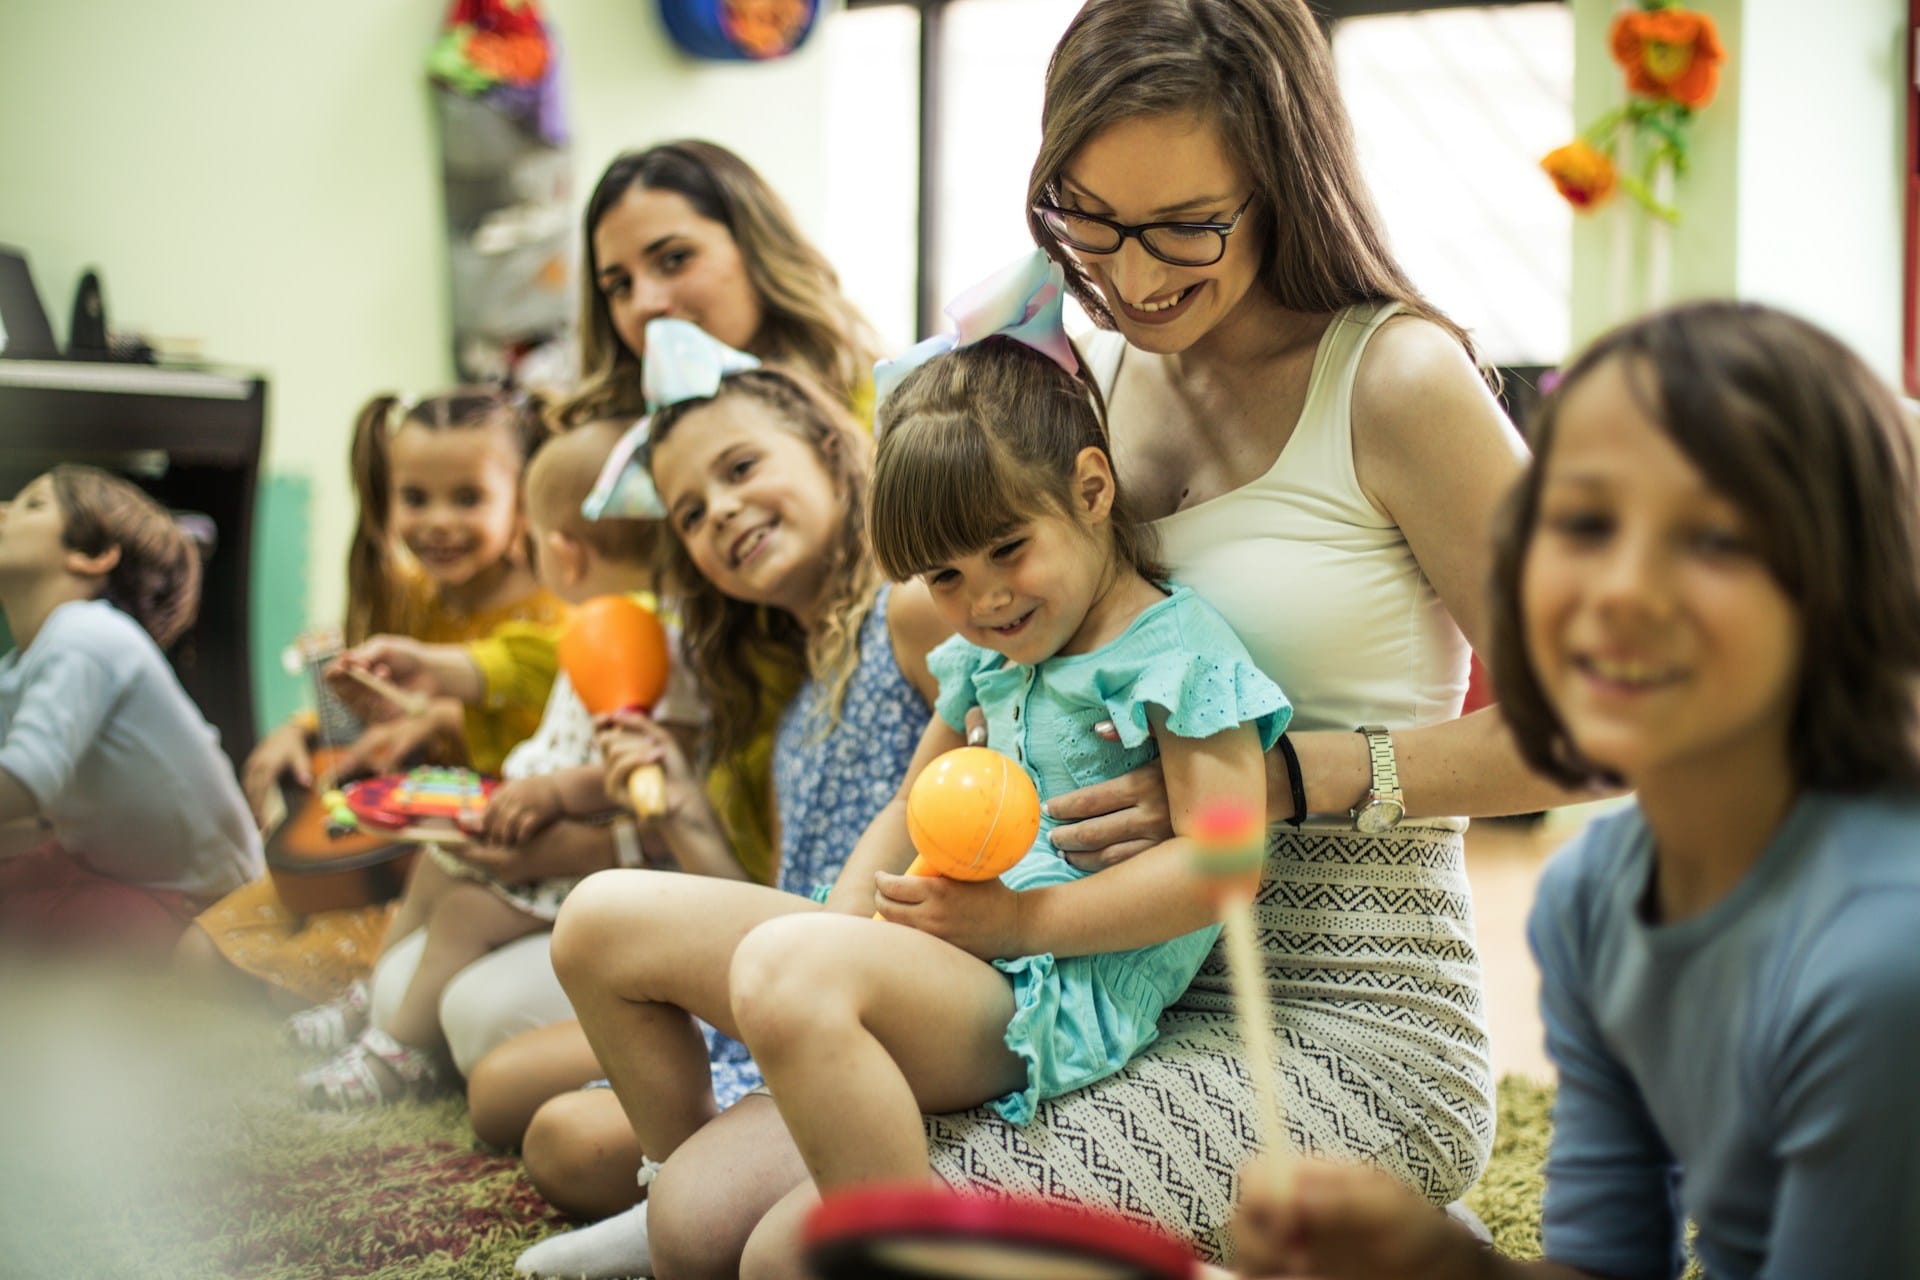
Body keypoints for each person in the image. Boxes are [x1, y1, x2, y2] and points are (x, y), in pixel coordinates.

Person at [645, 0, 1593, 1274]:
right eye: (1091, 224)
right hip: (1086, 991)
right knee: (694, 1216)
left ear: (1284, 183)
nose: (1136, 278)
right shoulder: (1100, 374)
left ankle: (1377, 1232)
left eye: (1187, 227)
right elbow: (980, 620)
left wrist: (1296, 774)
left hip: (1334, 1017)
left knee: (791, 1251)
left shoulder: (1400, 382)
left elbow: (1595, 736)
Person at [1232, 302, 1920, 1278]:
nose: (1619, 588)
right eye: (1585, 523)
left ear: (1848, 592)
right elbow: (1607, 1263)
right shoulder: (1602, 894)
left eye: (1715, 540)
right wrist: (1441, 1263)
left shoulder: (1882, 961)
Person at [729, 262, 1293, 1206]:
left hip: (1050, 996)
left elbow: (1225, 866)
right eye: (944, 578)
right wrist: (849, 924)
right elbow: (915, 803)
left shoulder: (1179, 655)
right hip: (954, 955)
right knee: (608, 920)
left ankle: (908, 1248)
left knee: (786, 969)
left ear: (1091, 488)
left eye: (1006, 550)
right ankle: (683, 1175)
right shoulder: (984, 660)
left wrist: (1017, 923)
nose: (984, 599)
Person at [461, 139, 886, 1164]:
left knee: (518, 1062)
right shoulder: (653, 454)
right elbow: (601, 623)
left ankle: (695, 1170)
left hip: (817, 910)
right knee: (491, 1067)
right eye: (616, 284)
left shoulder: (875, 454)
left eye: (672, 258)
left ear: (751, 245)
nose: (646, 301)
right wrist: (463, 676)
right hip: (738, 854)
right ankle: (693, 1159)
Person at [511, 326, 948, 1277]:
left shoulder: (911, 611)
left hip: (891, 982)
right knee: (560, 1139)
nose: (722, 513)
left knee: (600, 925)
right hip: (805, 973)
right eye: (691, 512)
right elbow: (775, 890)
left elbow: (983, 766)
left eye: (743, 466)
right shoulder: (794, 693)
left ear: (834, 451)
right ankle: (685, 1179)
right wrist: (680, 814)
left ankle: (688, 1181)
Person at [286, 421, 695, 1106]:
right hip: (544, 827)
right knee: (438, 863)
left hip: (602, 867)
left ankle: (396, 1055)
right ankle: (372, 1004)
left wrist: (558, 793)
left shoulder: (653, 640)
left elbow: (661, 767)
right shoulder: (601, 622)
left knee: (465, 918)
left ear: (560, 552)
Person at [174, 388, 567, 1006]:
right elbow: (368, 704)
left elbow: (553, 750)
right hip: (371, 837)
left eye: (468, 498)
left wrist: (442, 721)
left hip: (465, 860)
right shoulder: (406, 594)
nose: (437, 521)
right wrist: (299, 731)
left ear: (524, 499)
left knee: (302, 984)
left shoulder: (550, 612)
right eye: (415, 498)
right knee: (197, 955)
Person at [0, 465, 260, 956]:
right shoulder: (22, 664)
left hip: (200, 904)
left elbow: (24, 781)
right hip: (106, 865)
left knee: (22, 934)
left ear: (92, 555)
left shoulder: (88, 634)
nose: (2, 511)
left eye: (31, 504)